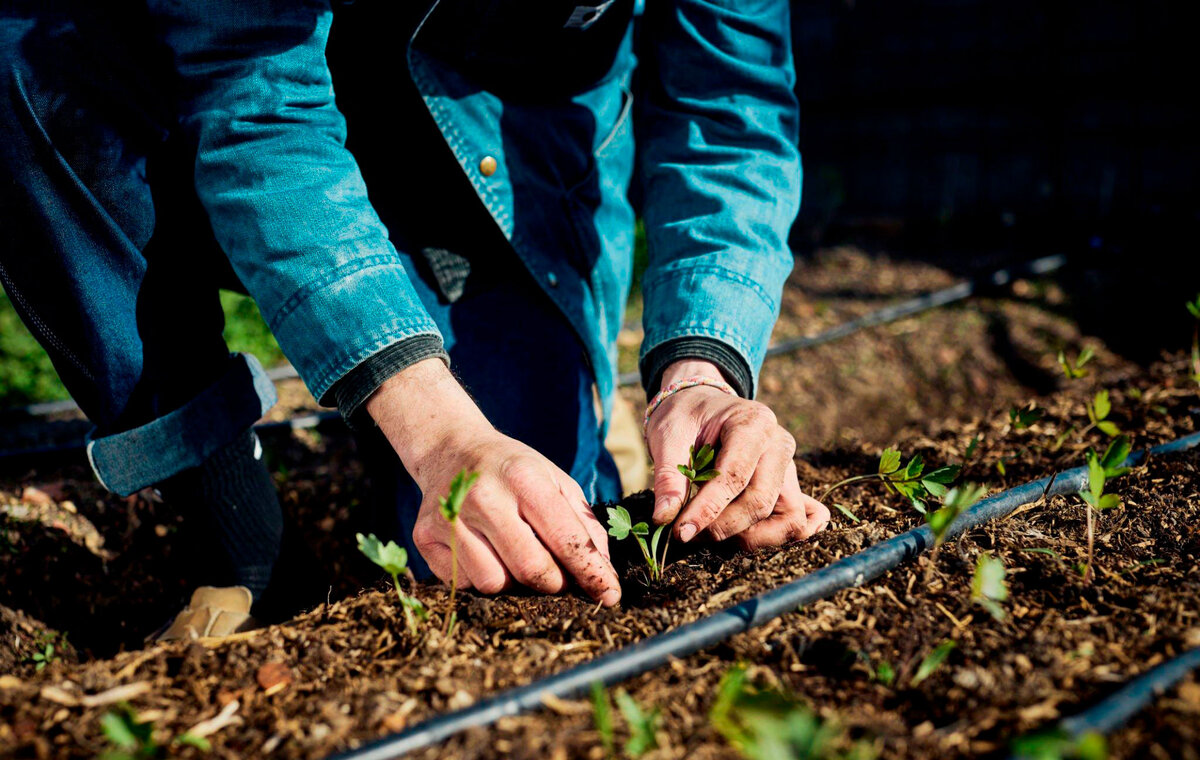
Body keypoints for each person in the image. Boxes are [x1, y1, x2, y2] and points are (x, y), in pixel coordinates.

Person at [0, 0, 829, 638]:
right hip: (262, 104)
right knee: (33, 47)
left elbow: (731, 105)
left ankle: (425, 389)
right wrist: (439, 435)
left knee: (519, 552)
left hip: (497, 154)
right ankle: (235, 527)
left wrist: (701, 369)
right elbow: (255, 96)